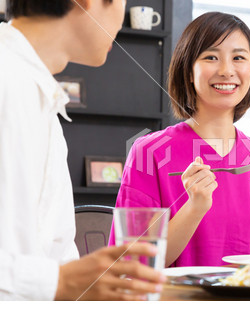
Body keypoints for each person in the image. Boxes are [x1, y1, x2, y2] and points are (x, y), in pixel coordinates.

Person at [0, 0, 166, 300]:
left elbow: (54, 254)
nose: (121, 14)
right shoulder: (8, 83)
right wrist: (60, 282)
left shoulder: (43, 100)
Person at [109, 12, 250, 267]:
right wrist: (194, 207)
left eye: (238, 58)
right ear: (188, 70)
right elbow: (135, 263)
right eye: (211, 57)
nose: (227, 70)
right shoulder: (148, 153)